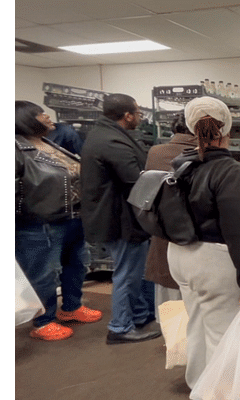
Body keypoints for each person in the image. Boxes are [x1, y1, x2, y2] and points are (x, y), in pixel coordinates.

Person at [167, 96, 240, 388]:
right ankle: (224, 393)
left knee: (196, 328)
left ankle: (199, 385)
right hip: (216, 261)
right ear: (227, 132)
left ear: (191, 129)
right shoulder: (231, 172)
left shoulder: (182, 166)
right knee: (226, 337)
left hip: (181, 256)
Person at [15, 101, 103, 341]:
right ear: (25, 119)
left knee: (77, 264)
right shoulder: (15, 149)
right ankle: (44, 321)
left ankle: (72, 307)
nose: (48, 117)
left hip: (72, 218)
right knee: (45, 273)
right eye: (42, 114)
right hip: (38, 223)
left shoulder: (46, 143)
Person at [80, 93, 160, 345]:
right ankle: (120, 327)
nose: (140, 117)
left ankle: (139, 316)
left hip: (122, 216)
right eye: (137, 113)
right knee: (127, 274)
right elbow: (135, 178)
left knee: (137, 272)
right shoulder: (111, 141)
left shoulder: (106, 135)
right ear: (127, 115)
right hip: (120, 219)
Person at [142, 114, 197, 321]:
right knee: (195, 305)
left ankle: (174, 348)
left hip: (162, 232)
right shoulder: (204, 154)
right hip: (197, 237)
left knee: (171, 304)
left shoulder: (156, 152)